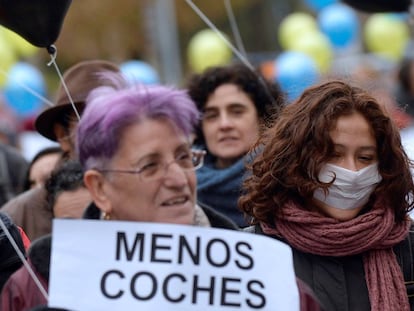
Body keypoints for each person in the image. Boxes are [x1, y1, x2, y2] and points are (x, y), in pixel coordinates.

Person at [239, 80, 414, 311]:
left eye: (365, 158)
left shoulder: (407, 246)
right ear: (297, 160)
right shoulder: (251, 253)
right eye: (333, 154)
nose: (352, 172)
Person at [0, 60, 120, 240]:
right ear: (62, 134)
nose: (108, 132)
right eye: (91, 122)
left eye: (122, 120)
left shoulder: (158, 196)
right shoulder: (19, 215)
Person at [186, 63, 284, 227]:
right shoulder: (184, 185)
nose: (224, 124)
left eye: (237, 112)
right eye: (212, 115)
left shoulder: (286, 180)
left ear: (263, 119)